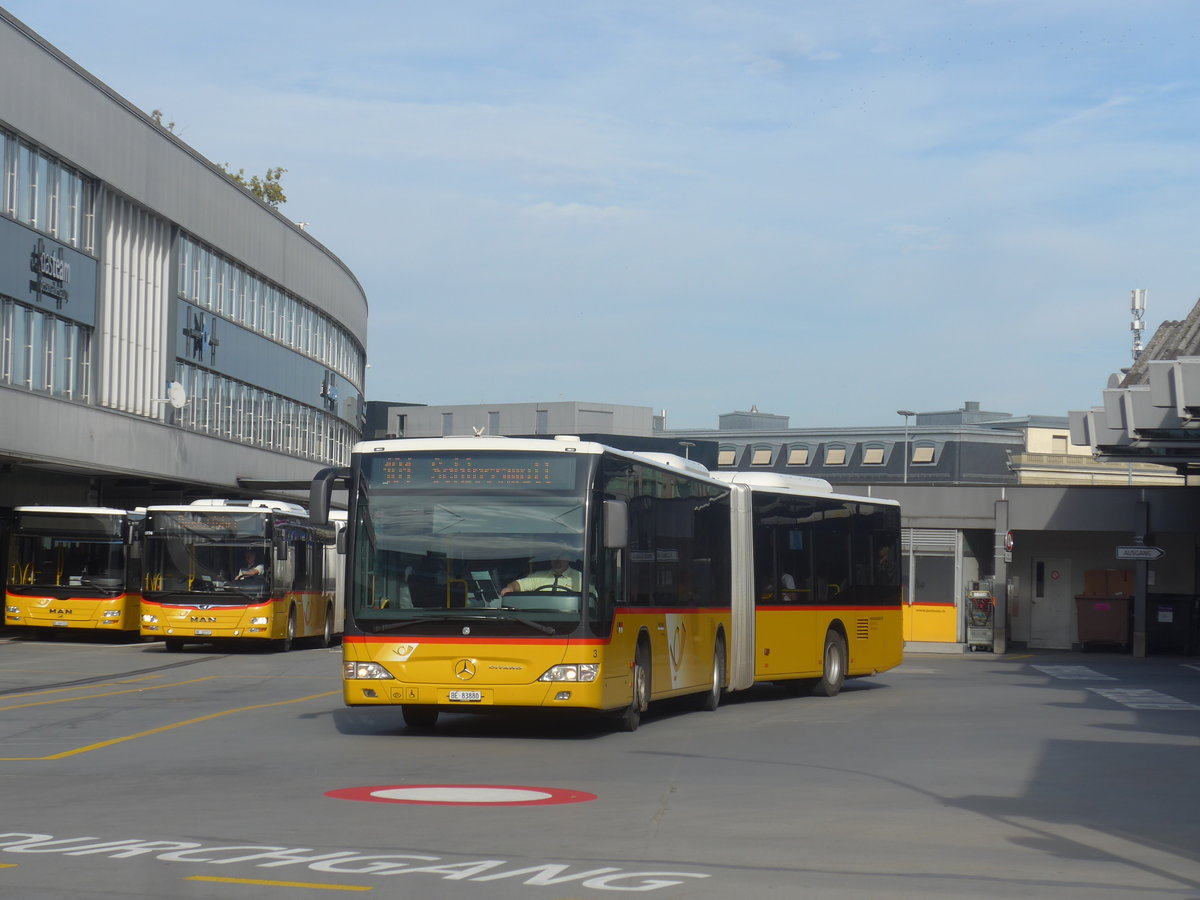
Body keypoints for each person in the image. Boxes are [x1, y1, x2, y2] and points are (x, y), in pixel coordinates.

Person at [501, 557, 581, 595]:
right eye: (555, 557)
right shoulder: (539, 577)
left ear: (569, 558)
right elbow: (518, 585)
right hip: (539, 621)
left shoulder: (581, 579)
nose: (557, 561)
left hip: (570, 621)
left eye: (562, 557)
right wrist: (510, 588)